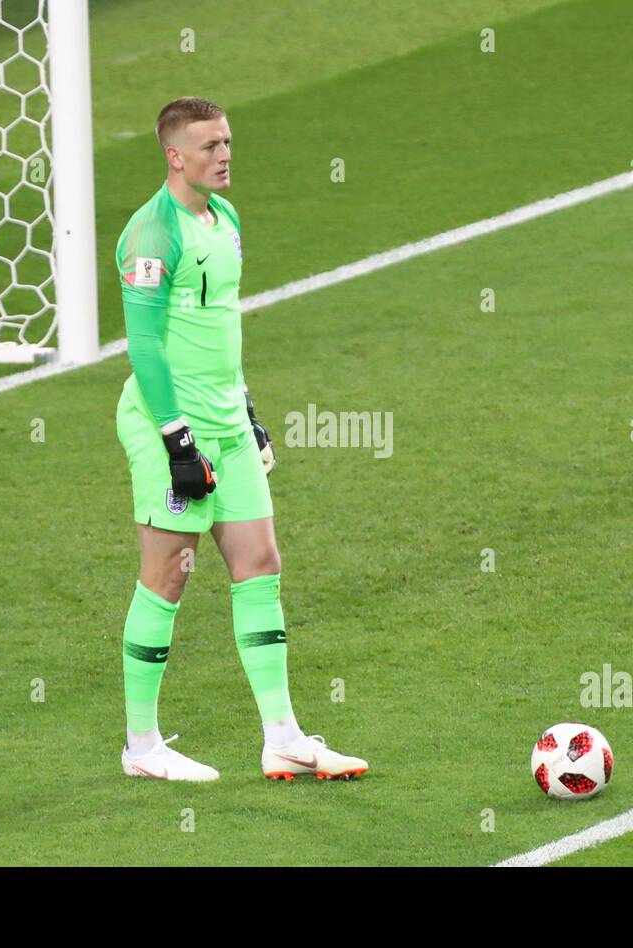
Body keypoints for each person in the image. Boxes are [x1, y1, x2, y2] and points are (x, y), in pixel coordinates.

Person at [114, 96, 369, 783]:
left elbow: (219, 330)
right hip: (168, 424)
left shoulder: (224, 219)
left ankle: (282, 735)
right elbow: (144, 345)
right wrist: (176, 442)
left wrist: (247, 411)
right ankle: (141, 745)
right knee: (168, 574)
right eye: (208, 146)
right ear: (174, 155)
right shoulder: (151, 235)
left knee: (259, 564)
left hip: (225, 422)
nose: (223, 155)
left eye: (227, 142)